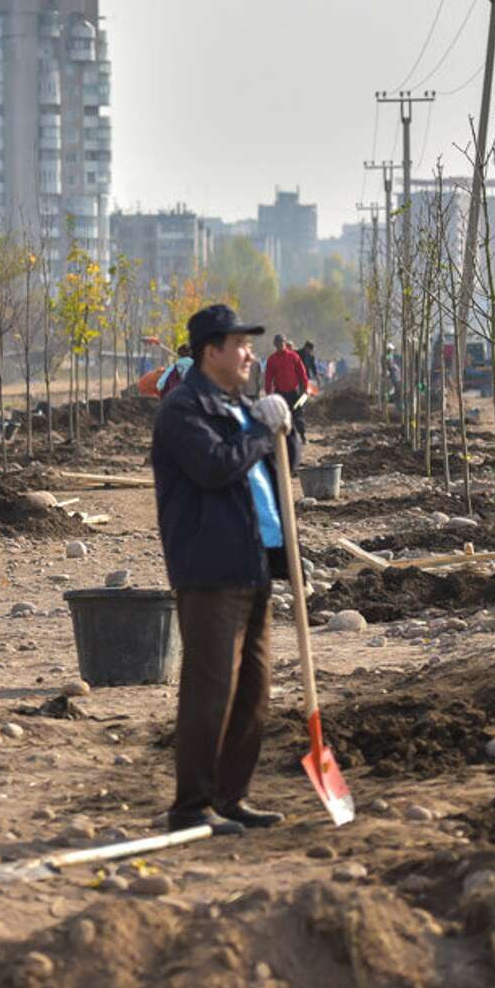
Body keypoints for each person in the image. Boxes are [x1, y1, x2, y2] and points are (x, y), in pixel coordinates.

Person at [151, 304, 295, 835]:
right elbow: (215, 468)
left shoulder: (240, 406)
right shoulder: (183, 410)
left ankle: (232, 797)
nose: (250, 354)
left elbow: (279, 463)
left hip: (256, 562)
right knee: (211, 690)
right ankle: (191, 807)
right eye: (240, 345)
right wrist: (260, 430)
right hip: (210, 567)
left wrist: (284, 426)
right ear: (210, 351)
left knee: (254, 692)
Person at [262, 333, 311, 455]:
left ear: (285, 343)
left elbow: (302, 373)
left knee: (297, 415)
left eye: (281, 343)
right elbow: (268, 377)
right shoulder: (272, 359)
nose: (280, 345)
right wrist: (269, 393)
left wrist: (305, 388)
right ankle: (281, 441)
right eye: (277, 344)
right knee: (281, 417)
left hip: (293, 392)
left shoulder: (293, 357)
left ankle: (303, 436)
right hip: (280, 393)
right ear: (275, 345)